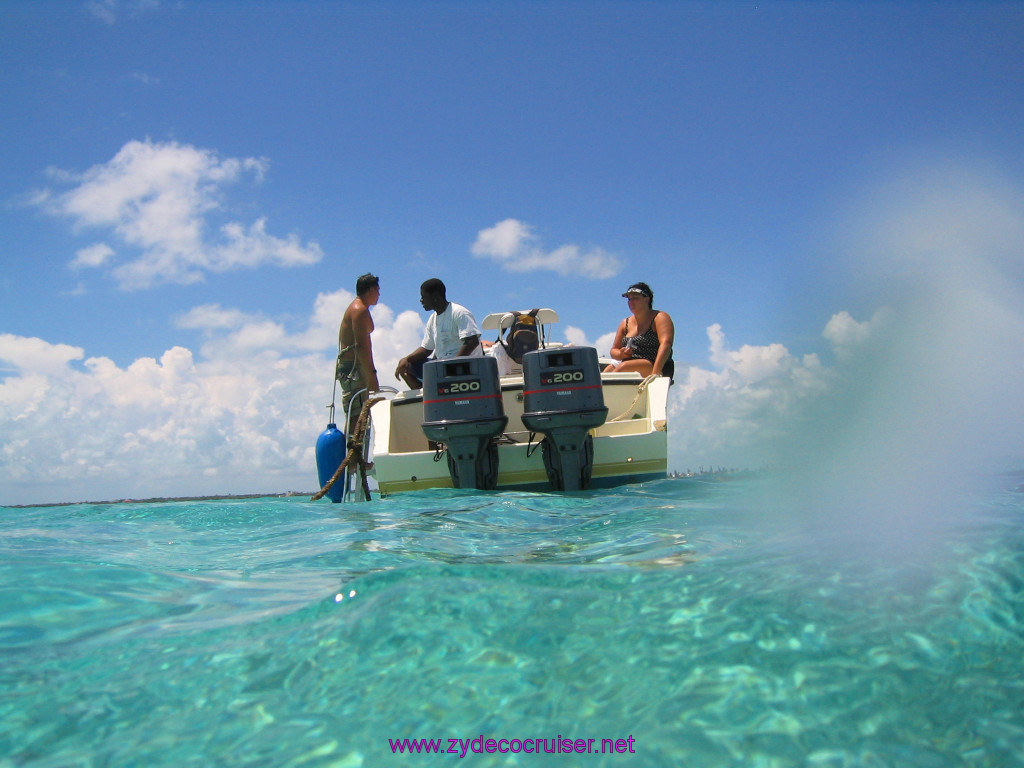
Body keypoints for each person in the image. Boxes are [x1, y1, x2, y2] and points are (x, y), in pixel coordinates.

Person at [395, 278, 482, 389]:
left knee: (436, 370)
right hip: (442, 367)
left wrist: (452, 366)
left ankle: (436, 390)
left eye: (423, 296)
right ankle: (426, 398)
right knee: (405, 367)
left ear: (435, 297)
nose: (421, 300)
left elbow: (472, 341)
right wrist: (407, 359)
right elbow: (426, 349)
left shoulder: (459, 312)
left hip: (465, 367)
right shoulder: (432, 319)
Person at [336, 273, 381, 435]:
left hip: (354, 368)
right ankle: (353, 457)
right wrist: (371, 374)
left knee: (361, 413)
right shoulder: (359, 310)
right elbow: (361, 346)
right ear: (370, 290)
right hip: (354, 371)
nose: (379, 295)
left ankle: (358, 456)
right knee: (357, 415)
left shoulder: (360, 309)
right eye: (377, 290)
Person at [604, 281, 675, 380]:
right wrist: (621, 354)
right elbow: (614, 350)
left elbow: (666, 344)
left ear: (647, 299)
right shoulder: (625, 323)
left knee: (622, 368)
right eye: (629, 299)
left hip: (654, 363)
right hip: (628, 362)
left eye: (635, 298)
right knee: (605, 373)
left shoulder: (659, 317)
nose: (631, 302)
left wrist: (656, 372)